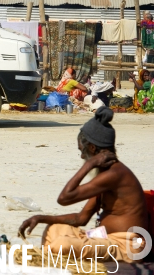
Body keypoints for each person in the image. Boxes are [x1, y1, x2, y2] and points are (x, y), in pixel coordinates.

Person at [18, 107, 148, 263]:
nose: (81, 156)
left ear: (92, 148)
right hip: (106, 239)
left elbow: (64, 198)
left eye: (82, 150)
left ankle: (52, 257)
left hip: (128, 246)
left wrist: (90, 164)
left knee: (62, 245)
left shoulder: (114, 174)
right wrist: (40, 218)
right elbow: (81, 218)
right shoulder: (106, 176)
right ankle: (53, 256)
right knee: (54, 229)